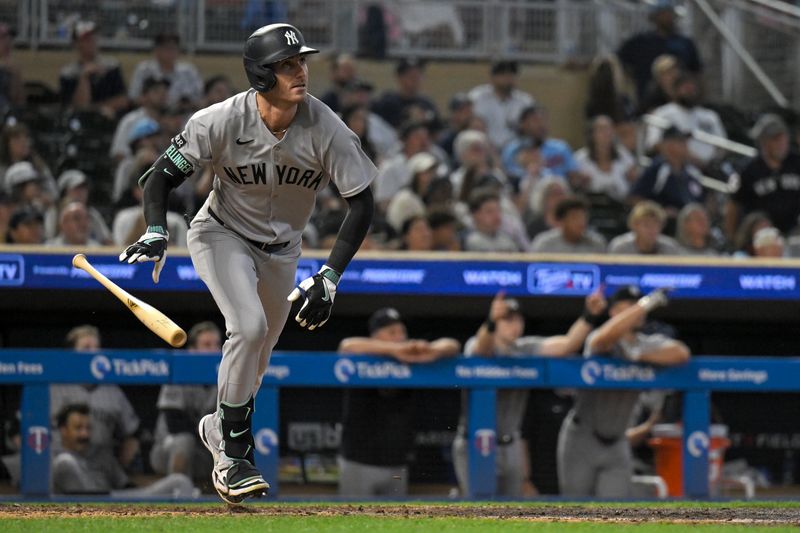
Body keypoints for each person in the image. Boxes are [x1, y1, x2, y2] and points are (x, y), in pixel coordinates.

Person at [118, 23, 376, 505]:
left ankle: (219, 427)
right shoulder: (218, 120)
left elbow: (362, 204)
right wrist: (156, 228)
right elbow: (158, 179)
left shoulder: (326, 126)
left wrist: (330, 276)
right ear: (261, 75)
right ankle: (235, 454)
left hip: (285, 251)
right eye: (287, 65)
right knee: (249, 328)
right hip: (222, 233)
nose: (301, 71)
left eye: (301, 62)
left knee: (256, 362)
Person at [453, 289, 608, 497]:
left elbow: (568, 344)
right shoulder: (479, 342)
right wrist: (490, 321)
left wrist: (589, 315)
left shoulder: (525, 348)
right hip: (475, 442)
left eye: (518, 320)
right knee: (479, 509)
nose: (514, 325)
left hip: (511, 444)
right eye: (507, 320)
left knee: (511, 512)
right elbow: (482, 349)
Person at [557, 286, 690, 498]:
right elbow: (603, 339)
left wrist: (637, 356)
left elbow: (681, 354)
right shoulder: (599, 339)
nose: (636, 312)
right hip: (582, 438)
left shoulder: (645, 344)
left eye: (637, 306)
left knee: (615, 513)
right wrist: (646, 304)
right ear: (613, 312)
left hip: (618, 442)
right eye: (628, 307)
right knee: (575, 509)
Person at [338, 308, 460, 497]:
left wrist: (428, 351)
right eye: (392, 332)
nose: (400, 337)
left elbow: (452, 345)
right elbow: (346, 346)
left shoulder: (413, 358)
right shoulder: (362, 356)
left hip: (396, 465)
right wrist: (398, 349)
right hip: (359, 462)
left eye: (401, 332)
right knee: (353, 522)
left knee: (394, 523)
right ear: (376, 336)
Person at [52, 404, 196, 497]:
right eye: (78, 428)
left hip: (115, 502)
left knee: (180, 481)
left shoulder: (101, 453)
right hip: (87, 508)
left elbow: (126, 485)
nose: (85, 434)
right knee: (65, 462)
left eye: (88, 428)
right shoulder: (58, 459)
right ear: (63, 430)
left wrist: (156, 485)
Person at [50, 325, 141, 470]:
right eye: (86, 348)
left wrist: (126, 460)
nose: (94, 352)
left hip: (101, 468)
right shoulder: (53, 388)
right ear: (71, 354)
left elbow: (133, 431)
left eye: (96, 348)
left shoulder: (112, 390)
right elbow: (22, 429)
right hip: (59, 465)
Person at [150, 322, 221, 483]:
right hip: (168, 448)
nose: (213, 350)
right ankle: (177, 493)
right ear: (192, 350)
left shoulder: (223, 378)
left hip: (203, 450)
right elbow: (175, 422)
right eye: (206, 345)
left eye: (217, 345)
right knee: (184, 440)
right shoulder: (178, 372)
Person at [726, 114, 800, 237]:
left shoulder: (796, 162)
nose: (781, 143)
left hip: (795, 232)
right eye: (775, 139)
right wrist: (732, 238)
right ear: (763, 142)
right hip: (761, 235)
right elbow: (733, 205)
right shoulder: (747, 170)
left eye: (783, 137)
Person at [617, 0, 702, 101]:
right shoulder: (639, 43)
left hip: (680, 102)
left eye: (670, 13)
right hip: (647, 102)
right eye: (663, 14)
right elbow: (619, 63)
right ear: (654, 17)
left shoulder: (685, 43)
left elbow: (696, 72)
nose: (668, 17)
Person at [644, 74, 727, 171]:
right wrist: (686, 156)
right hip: (677, 167)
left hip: (709, 168)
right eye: (686, 88)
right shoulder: (663, 113)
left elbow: (722, 146)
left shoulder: (709, 115)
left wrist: (709, 162)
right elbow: (653, 143)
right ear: (675, 90)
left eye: (692, 88)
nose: (690, 92)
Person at [59, 21, 128, 117]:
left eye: (94, 37)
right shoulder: (69, 73)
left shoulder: (111, 66)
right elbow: (77, 107)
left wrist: (95, 109)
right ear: (76, 43)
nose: (92, 41)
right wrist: (84, 77)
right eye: (86, 39)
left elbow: (122, 100)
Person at [631, 126, 705, 215]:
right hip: (665, 225)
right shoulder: (657, 169)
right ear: (668, 145)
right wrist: (660, 212)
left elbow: (701, 201)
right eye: (680, 142)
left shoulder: (692, 173)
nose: (685, 145)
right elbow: (634, 198)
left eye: (685, 142)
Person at [468, 61, 535, 151]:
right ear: (492, 77)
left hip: (516, 150)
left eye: (512, 74)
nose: (508, 78)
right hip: (485, 148)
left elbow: (530, 129)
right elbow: (473, 126)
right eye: (503, 74)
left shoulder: (525, 101)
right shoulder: (478, 96)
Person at [128, 32, 203, 109]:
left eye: (174, 48)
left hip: (183, 114)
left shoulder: (189, 71)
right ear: (156, 50)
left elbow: (200, 98)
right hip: (151, 113)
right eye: (167, 48)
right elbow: (134, 97)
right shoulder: (144, 70)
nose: (171, 52)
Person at [574, 115, 637, 202]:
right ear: (592, 134)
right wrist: (581, 182)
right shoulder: (580, 159)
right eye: (601, 130)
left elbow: (635, 180)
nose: (606, 133)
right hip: (593, 207)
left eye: (609, 129)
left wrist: (632, 177)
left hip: (622, 205)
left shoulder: (623, 155)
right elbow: (575, 186)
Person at [110, 77, 170, 163]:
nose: (163, 95)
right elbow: (118, 154)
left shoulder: (172, 121)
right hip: (136, 170)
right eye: (156, 91)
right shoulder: (130, 120)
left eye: (165, 92)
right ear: (144, 96)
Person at [371, 57, 440, 130]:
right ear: (399, 77)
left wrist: (425, 118)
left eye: (419, 75)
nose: (416, 80)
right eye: (411, 76)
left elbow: (437, 128)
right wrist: (405, 116)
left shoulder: (426, 103)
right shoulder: (387, 102)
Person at [530, 196, 606, 254]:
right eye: (575, 217)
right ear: (562, 221)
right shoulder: (544, 244)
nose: (581, 222)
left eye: (583, 217)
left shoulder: (597, 244)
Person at [608, 200, 684, 255]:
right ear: (634, 225)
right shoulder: (621, 247)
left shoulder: (670, 248)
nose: (652, 229)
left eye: (656, 224)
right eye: (646, 225)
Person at [463, 189, 519, 253]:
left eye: (498, 210)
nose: (497, 216)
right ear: (475, 215)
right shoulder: (465, 241)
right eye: (489, 211)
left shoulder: (507, 240)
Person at [0, 23, 24, 115]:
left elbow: (18, 101)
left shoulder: (10, 68)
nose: (8, 42)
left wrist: (16, 74)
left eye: (10, 39)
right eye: (3, 38)